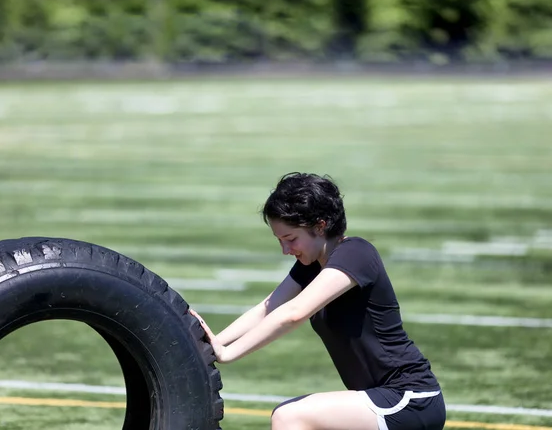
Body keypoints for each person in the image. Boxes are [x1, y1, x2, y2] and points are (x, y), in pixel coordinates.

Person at [190, 172, 446, 430]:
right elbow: (268, 308)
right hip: (379, 397)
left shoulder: (356, 253)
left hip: (409, 398)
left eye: (290, 239)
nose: (285, 250)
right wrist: (212, 343)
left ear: (320, 226)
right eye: (280, 241)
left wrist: (228, 354)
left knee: (289, 416)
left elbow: (294, 312)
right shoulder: (311, 265)